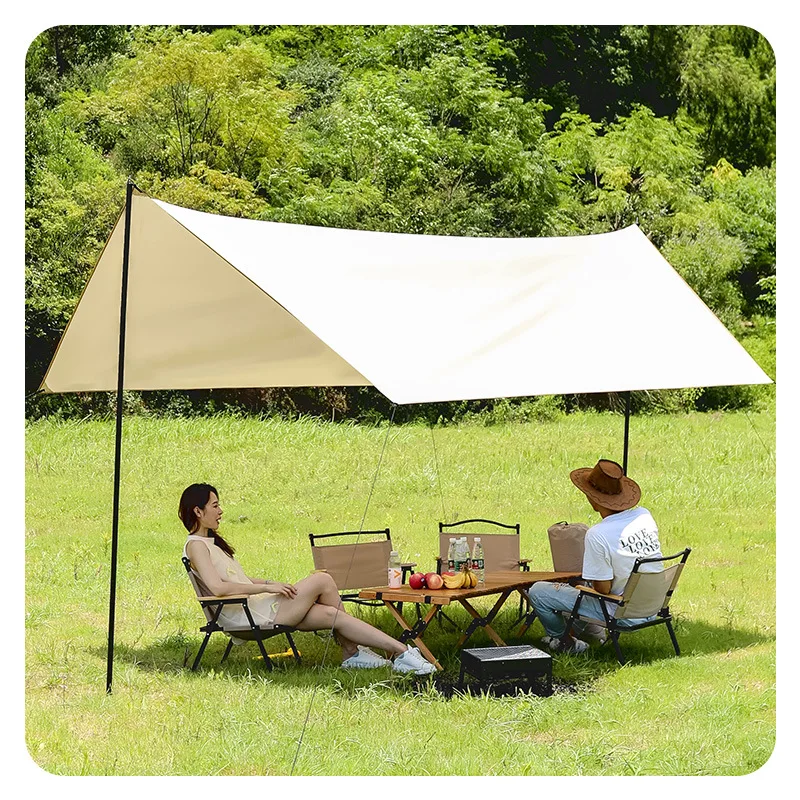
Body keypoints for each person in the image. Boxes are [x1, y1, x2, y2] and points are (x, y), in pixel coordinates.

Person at [180, 483, 435, 675]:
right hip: (247, 616)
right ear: (198, 511)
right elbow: (216, 587)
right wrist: (265, 587)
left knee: (330, 616)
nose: (221, 511)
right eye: (215, 505)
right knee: (322, 579)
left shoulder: (210, 543)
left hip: (255, 607)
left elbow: (236, 578)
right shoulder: (196, 545)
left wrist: (269, 584)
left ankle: (356, 653)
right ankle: (400, 652)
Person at [528, 459, 663, 654]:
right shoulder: (644, 516)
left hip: (623, 612)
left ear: (593, 499)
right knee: (581, 589)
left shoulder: (598, 534)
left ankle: (566, 642)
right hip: (652, 606)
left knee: (539, 592)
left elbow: (603, 588)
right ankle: (582, 634)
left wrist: (584, 585)